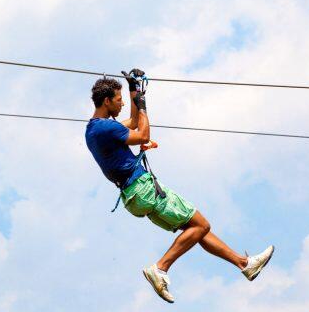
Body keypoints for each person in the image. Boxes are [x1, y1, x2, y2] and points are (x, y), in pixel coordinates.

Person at [84, 69, 274, 304]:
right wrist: (142, 105)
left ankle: (245, 264)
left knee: (195, 229)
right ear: (106, 101)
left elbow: (132, 123)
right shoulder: (105, 128)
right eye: (119, 100)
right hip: (143, 188)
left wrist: (134, 91)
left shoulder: (94, 129)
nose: (122, 104)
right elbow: (142, 133)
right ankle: (160, 268)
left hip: (133, 196)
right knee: (201, 224)